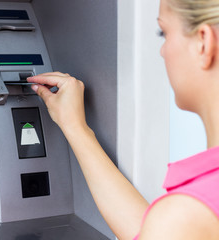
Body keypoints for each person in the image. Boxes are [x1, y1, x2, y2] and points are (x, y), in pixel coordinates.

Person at [27, 0, 219, 239]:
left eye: (164, 33)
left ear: (203, 42)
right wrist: (75, 127)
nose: (162, 51)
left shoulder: (186, 215)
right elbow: (147, 230)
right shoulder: (190, 213)